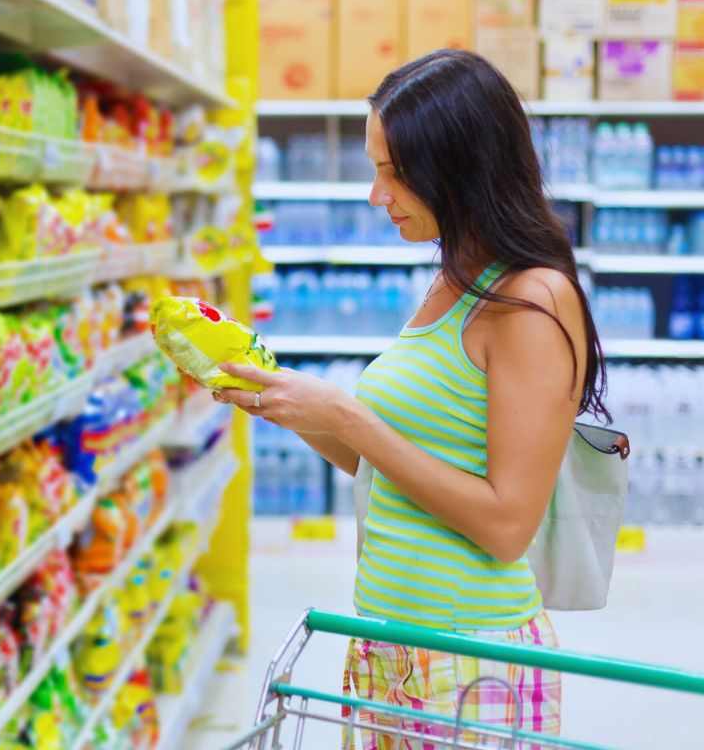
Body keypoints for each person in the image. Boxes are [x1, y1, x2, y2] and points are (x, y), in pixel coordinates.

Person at [216, 49, 609, 748]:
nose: (377, 195)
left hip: (472, 661)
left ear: (459, 168)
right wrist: (284, 403)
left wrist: (350, 417)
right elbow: (396, 470)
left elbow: (506, 524)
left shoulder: (531, 300)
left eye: (393, 173)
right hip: (387, 648)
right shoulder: (454, 280)